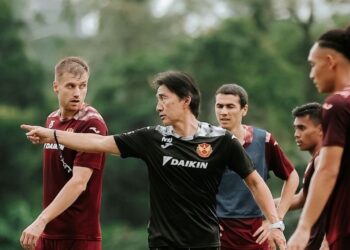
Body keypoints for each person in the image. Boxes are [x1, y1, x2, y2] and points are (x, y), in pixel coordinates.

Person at [21, 71, 287, 250]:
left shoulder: (221, 141)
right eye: (156, 99)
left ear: (185, 100)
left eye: (163, 99)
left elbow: (255, 182)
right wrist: (54, 135)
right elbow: (99, 143)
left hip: (205, 243)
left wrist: (274, 223)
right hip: (162, 244)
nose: (158, 106)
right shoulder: (152, 138)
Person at [19, 57, 108, 250]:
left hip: (79, 236)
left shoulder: (92, 124)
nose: (78, 93)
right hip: (49, 234)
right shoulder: (51, 120)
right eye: (70, 86)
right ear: (56, 86)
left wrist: (40, 220)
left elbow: (79, 183)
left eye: (82, 86)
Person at [214, 83, 299, 250]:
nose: (223, 112)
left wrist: (276, 220)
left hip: (256, 233)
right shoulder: (205, 143)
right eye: (219, 106)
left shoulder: (263, 139)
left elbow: (292, 176)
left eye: (230, 106)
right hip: (218, 232)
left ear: (244, 109)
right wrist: (204, 220)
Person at [288, 26, 350, 250]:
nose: (312, 74)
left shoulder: (338, 103)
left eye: (313, 65)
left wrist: (303, 228)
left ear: (330, 61)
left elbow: (328, 170)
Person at [279, 102, 328, 250]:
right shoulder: (315, 160)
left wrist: (327, 242)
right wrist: (259, 205)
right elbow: (301, 199)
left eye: (302, 128)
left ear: (320, 129)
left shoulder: (324, 160)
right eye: (295, 128)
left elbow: (334, 202)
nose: (296, 134)